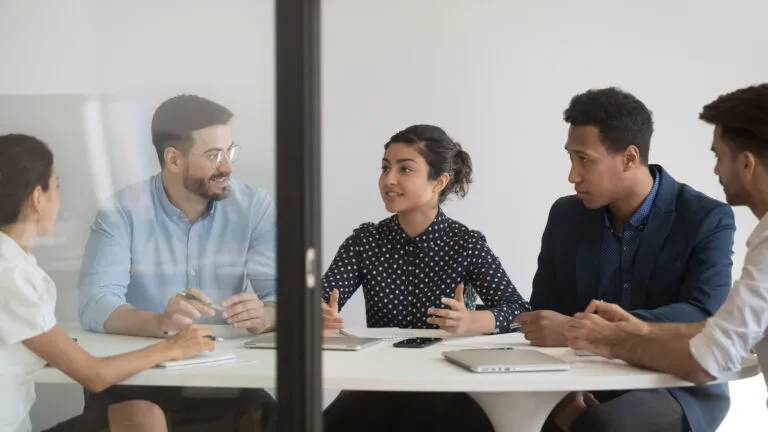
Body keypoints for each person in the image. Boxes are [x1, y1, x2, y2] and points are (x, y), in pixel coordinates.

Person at [520, 88, 736, 432]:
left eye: (584, 159)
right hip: (581, 377)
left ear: (629, 158)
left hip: (673, 381)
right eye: (570, 158)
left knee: (605, 425)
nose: (573, 175)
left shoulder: (705, 217)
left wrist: (591, 333)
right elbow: (545, 314)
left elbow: (703, 313)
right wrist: (560, 394)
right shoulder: (566, 215)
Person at [74, 95, 277, 430]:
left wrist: (264, 315)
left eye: (230, 151)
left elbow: (288, 298)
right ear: (173, 159)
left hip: (226, 378)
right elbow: (95, 304)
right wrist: (160, 322)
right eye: (214, 155)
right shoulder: (123, 210)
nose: (227, 165)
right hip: (136, 379)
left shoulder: (253, 206)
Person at [565, 83, 768, 409]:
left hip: (676, 389)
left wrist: (610, 338)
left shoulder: (717, 221)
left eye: (718, 156)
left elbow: (711, 354)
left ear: (747, 164)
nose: (715, 170)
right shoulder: (568, 215)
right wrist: (639, 329)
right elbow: (723, 330)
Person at [321, 124, 530, 432]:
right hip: (381, 380)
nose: (388, 179)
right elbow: (319, 304)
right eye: (385, 167)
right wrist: (317, 318)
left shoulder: (466, 243)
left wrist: (472, 321)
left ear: (439, 182)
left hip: (447, 381)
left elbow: (520, 311)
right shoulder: (365, 241)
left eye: (405, 169)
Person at [0, 133, 216, 432]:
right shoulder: (9, 273)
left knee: (141, 416)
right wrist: (173, 348)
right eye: (57, 188)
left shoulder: (14, 263)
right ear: (38, 198)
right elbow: (94, 377)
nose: (60, 203)